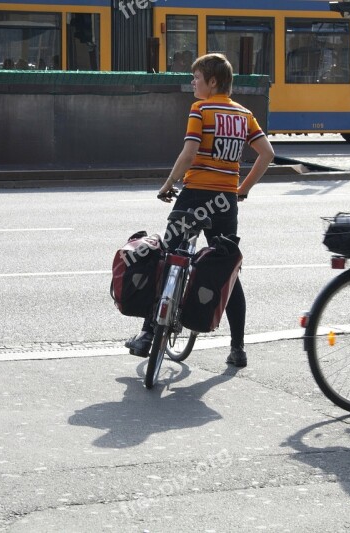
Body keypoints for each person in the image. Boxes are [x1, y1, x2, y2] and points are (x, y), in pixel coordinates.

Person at [124, 52, 275, 368]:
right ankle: (237, 348)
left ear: (213, 82)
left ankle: (148, 334)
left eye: (196, 77)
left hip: (194, 197)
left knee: (167, 258)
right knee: (226, 269)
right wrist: (242, 189)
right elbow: (267, 154)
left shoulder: (201, 109)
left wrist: (168, 184)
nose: (192, 82)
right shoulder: (245, 115)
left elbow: (189, 153)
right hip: (224, 202)